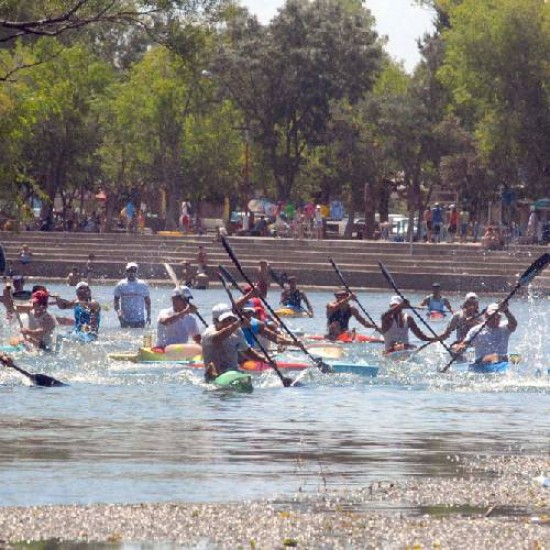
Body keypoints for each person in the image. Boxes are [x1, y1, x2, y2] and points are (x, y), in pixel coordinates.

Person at [201, 304, 267, 382]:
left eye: (231, 319)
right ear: (215, 321)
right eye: (226, 320)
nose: (230, 322)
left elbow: (247, 351)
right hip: (216, 376)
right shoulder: (208, 332)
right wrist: (236, 325)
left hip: (233, 373)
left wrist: (264, 359)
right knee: (213, 371)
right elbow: (216, 339)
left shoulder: (237, 331)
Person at [113, 262, 151, 328]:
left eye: (134, 271)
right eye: (129, 271)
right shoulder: (121, 284)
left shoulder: (142, 284)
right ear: (126, 272)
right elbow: (116, 301)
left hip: (140, 320)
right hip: (125, 320)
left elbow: (147, 302)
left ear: (136, 272)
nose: (132, 273)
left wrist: (148, 316)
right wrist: (118, 312)